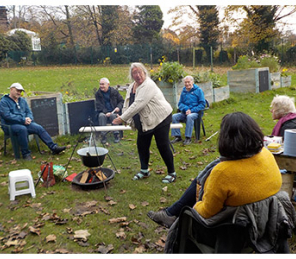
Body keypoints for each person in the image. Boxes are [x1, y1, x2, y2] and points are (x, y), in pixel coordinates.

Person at [148, 112, 282, 226]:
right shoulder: (266, 154)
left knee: (203, 183)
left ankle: (172, 214)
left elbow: (206, 212)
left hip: (234, 226)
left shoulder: (223, 171)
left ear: (226, 138)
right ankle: (171, 212)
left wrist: (196, 205)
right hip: (267, 219)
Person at [112, 63, 177, 183]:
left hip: (160, 118)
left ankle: (172, 173)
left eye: (139, 72)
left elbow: (138, 104)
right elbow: (128, 104)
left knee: (162, 145)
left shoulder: (148, 85)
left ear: (144, 72)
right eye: (134, 73)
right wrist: (125, 118)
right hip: (145, 121)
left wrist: (122, 119)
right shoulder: (132, 86)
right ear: (132, 75)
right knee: (142, 145)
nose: (137, 75)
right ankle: (144, 170)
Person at [0, 83, 67, 159]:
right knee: (22, 129)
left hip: (23, 123)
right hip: (10, 125)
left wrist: (29, 118)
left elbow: (29, 111)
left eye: (20, 91)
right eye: (17, 90)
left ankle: (53, 147)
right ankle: (26, 154)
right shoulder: (4, 102)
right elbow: (7, 116)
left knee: (38, 127)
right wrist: (22, 120)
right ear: (11, 89)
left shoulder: (22, 101)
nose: (19, 93)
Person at [171, 76, 206, 145]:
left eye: (188, 82)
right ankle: (177, 137)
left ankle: (188, 138)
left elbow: (202, 104)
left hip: (195, 113)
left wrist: (191, 110)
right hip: (185, 112)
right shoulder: (184, 91)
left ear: (192, 82)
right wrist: (186, 109)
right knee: (174, 116)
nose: (187, 84)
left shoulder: (198, 90)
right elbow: (180, 103)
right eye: (185, 82)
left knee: (189, 116)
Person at [94, 78, 124, 143]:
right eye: (100, 84)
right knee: (101, 116)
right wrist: (106, 112)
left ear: (108, 84)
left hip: (114, 111)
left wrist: (118, 107)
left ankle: (116, 135)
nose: (101, 86)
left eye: (103, 84)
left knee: (113, 116)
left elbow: (121, 101)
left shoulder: (114, 92)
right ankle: (103, 135)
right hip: (103, 112)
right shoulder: (98, 94)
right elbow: (99, 105)